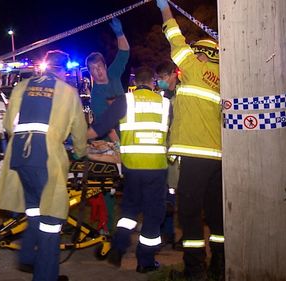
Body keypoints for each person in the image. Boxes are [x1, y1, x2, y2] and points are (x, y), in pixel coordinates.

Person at [0, 50, 87, 281]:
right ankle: (45, 275)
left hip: (20, 157)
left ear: (45, 66)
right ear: (64, 69)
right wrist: (80, 153)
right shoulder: (68, 91)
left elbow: (8, 124)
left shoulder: (22, 86)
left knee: (34, 209)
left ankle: (27, 256)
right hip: (46, 159)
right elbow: (79, 132)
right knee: (52, 221)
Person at [156, 1, 224, 280]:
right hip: (219, 158)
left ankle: (194, 270)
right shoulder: (223, 78)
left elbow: (174, 36)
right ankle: (220, 267)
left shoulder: (194, 68)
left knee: (190, 214)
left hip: (195, 155)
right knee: (217, 216)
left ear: (201, 55)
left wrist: (163, 8)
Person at [88, 66, 170, 273]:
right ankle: (146, 261)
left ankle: (118, 247)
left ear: (135, 82)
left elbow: (100, 127)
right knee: (153, 214)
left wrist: (77, 141)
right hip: (156, 168)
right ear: (153, 82)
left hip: (132, 167)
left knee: (129, 211)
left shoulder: (126, 101)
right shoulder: (166, 103)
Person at [85, 16, 130, 233]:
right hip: (110, 141)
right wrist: (119, 147)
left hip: (127, 135)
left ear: (104, 66)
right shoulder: (96, 95)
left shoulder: (113, 75)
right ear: (90, 73)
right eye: (93, 70)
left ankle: (127, 221)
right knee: (108, 186)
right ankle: (108, 226)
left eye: (99, 67)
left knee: (131, 183)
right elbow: (107, 126)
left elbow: (124, 54)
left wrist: (119, 33)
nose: (98, 72)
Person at [156, 60, 180, 248]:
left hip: (179, 151)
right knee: (166, 195)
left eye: (163, 77)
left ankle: (185, 235)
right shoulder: (163, 96)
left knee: (179, 195)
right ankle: (168, 234)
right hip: (165, 150)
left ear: (174, 74)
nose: (160, 81)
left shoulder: (183, 93)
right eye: (158, 78)